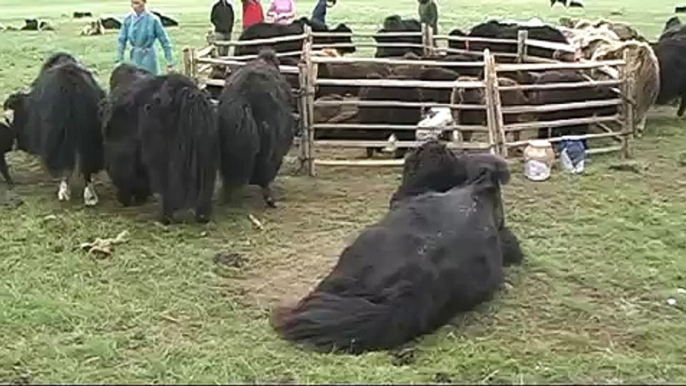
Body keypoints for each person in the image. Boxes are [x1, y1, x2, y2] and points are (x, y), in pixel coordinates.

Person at [116, 0, 173, 75]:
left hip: (149, 58)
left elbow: (165, 42)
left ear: (144, 3)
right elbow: (121, 41)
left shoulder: (153, 20)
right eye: (133, 3)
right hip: (135, 58)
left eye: (137, 3)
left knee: (151, 82)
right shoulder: (128, 19)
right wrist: (119, 60)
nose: (134, 6)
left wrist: (169, 61)